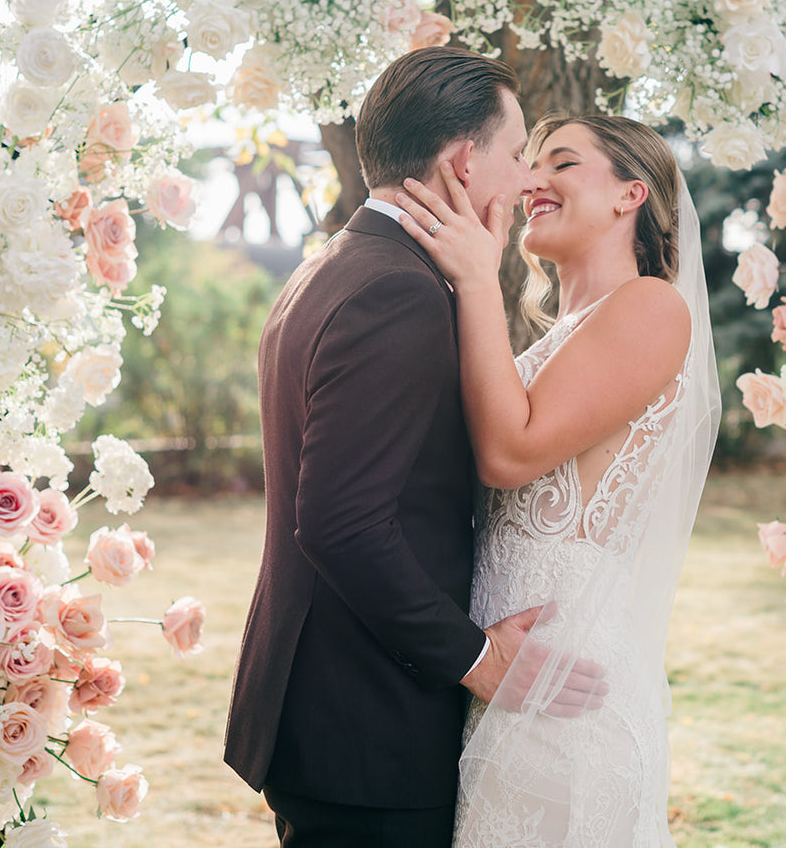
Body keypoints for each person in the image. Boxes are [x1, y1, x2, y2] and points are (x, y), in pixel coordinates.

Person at [224, 48, 605, 848]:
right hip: (365, 727)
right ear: (464, 161)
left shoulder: (332, 266)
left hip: (324, 714)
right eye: (514, 154)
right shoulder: (396, 290)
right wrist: (477, 659)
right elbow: (338, 522)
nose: (524, 180)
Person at [396, 113, 720, 846]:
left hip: (569, 699)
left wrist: (476, 275)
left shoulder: (649, 306)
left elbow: (510, 455)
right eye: (529, 163)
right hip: (505, 682)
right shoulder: (556, 341)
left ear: (629, 194)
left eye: (562, 164)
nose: (532, 180)